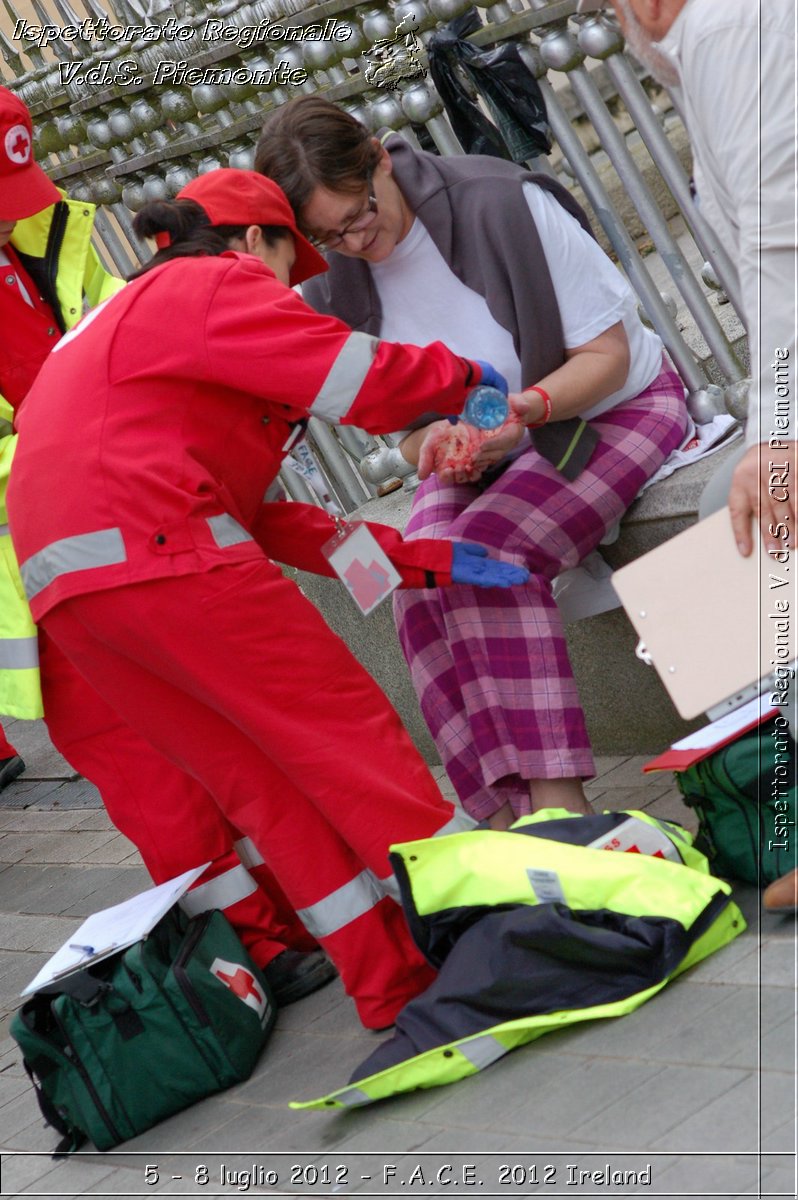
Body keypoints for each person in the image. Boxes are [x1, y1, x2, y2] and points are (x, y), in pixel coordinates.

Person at [7, 167, 527, 1030]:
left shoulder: (123, 330)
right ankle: (490, 931)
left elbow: (274, 520)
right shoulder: (211, 286)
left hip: (75, 599)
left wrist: (422, 562)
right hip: (164, 550)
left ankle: (388, 984)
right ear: (254, 241)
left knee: (260, 788)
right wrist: (473, 377)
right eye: (293, 267)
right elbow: (360, 379)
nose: (295, 293)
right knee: (344, 741)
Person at [254, 97, 689, 829]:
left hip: (611, 407)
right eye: (330, 235)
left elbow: (609, 359)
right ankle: (497, 811)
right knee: (414, 575)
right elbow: (401, 432)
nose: (357, 241)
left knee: (490, 553)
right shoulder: (328, 280)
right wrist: (432, 446)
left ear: (380, 159)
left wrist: (523, 414)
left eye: (360, 212)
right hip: (492, 441)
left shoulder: (500, 203)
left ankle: (558, 803)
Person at [0, 84, 337, 1003]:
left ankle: (298, 913)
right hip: (41, 581)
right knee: (158, 780)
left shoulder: (47, 233)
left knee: (222, 744)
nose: (23, 216)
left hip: (141, 528)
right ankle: (250, 946)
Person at [576, 0, 797, 912]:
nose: (606, 19)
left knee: (742, 531)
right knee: (719, 533)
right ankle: (775, 819)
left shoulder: (721, 32)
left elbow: (776, 247)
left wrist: (777, 437)